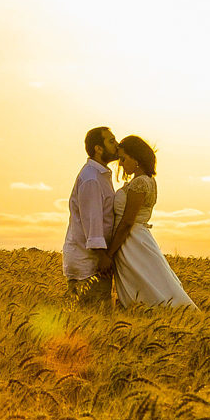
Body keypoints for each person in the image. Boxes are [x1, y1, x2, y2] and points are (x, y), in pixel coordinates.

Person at [103, 134, 195, 309]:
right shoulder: (146, 180)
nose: (120, 164)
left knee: (145, 285)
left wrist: (110, 253)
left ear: (135, 158)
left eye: (123, 159)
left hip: (132, 242)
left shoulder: (140, 183)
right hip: (136, 239)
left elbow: (127, 221)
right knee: (148, 283)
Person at [63, 126, 119, 303]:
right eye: (111, 141)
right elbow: (92, 221)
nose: (117, 145)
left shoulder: (99, 175)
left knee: (97, 319)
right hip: (89, 264)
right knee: (93, 316)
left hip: (92, 261)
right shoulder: (92, 179)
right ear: (98, 148)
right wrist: (102, 257)